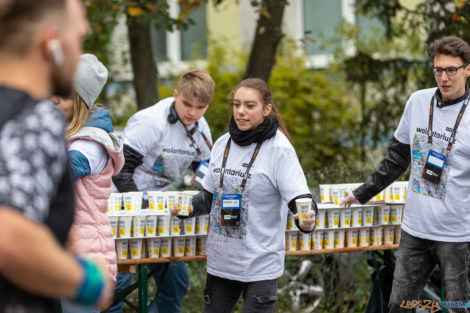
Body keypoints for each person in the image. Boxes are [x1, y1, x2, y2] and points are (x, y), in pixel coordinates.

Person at [341, 36, 470, 313]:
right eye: (438, 70)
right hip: (415, 230)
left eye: (451, 70)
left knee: (457, 307)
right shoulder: (418, 102)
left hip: (456, 235)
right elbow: (397, 159)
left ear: (467, 69)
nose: (444, 77)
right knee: (399, 306)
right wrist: (363, 192)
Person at [170, 78, 317, 313]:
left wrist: (306, 219)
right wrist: (186, 209)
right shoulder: (222, 144)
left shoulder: (279, 149)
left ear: (267, 110)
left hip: (260, 264)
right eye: (237, 104)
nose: (240, 112)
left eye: (250, 106)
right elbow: (207, 197)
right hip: (221, 262)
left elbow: (301, 200)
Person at [0, 0, 109, 312]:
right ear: (52, 45)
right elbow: (10, 238)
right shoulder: (33, 117)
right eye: (78, 39)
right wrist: (87, 281)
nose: (80, 54)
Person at [111, 70, 215, 313]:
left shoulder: (200, 128)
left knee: (176, 283)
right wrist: (145, 210)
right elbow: (120, 172)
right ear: (175, 94)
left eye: (200, 107)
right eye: (187, 104)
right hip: (122, 205)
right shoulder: (150, 122)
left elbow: (204, 169)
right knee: (120, 283)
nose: (192, 112)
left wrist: (203, 190)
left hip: (160, 208)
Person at [51, 53, 124, 313]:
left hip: (83, 259)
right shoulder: (61, 133)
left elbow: (56, 174)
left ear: (80, 101)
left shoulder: (90, 143)